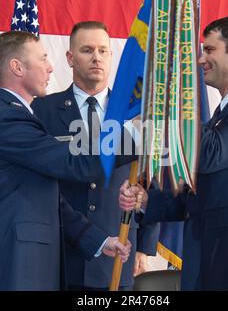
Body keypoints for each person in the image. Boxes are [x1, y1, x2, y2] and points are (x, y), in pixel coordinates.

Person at [119, 16, 228, 291]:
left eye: (210, 50)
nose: (200, 60)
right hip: (208, 265)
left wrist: (169, 102)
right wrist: (148, 199)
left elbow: (209, 154)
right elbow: (198, 196)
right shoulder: (223, 116)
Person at [0, 30, 131, 291]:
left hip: (30, 263)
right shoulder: (8, 120)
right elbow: (74, 161)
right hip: (16, 265)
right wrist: (139, 140)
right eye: (43, 58)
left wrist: (99, 241)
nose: (50, 67)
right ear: (17, 67)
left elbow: (51, 199)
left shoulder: (17, 116)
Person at [31, 21, 159, 291]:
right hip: (60, 254)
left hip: (119, 252)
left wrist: (145, 248)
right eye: (87, 50)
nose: (96, 57)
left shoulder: (134, 113)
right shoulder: (43, 109)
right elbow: (39, 182)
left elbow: (151, 180)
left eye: (103, 50)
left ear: (112, 56)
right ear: (70, 57)